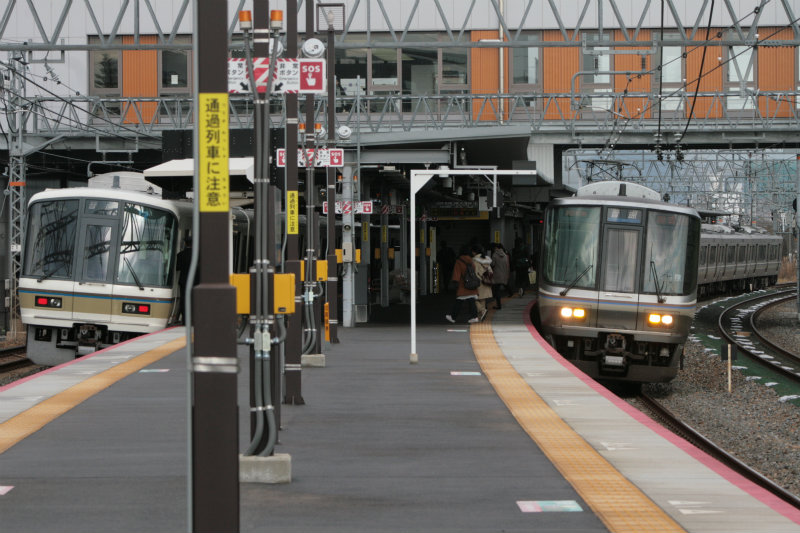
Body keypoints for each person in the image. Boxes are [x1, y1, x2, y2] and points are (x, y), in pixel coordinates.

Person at [445, 246, 479, 324]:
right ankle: (474, 317)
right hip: (471, 284)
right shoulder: (471, 260)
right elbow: (474, 270)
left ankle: (453, 317)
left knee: (459, 301)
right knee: (471, 300)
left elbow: (457, 273)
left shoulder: (459, 261)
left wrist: (455, 282)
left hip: (463, 284)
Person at [472, 244, 493, 321]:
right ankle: (481, 316)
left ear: (474, 252)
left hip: (478, 282)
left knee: (473, 298)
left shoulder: (474, 260)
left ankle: (482, 310)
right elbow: (491, 271)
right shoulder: (487, 259)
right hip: (486, 281)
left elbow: (474, 272)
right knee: (482, 299)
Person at [490, 243, 510, 310]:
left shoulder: (495, 255)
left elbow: (492, 264)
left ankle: (499, 305)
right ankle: (498, 305)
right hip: (503, 274)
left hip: (496, 275)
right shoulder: (505, 255)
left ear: (496, 248)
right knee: (498, 289)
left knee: (496, 290)